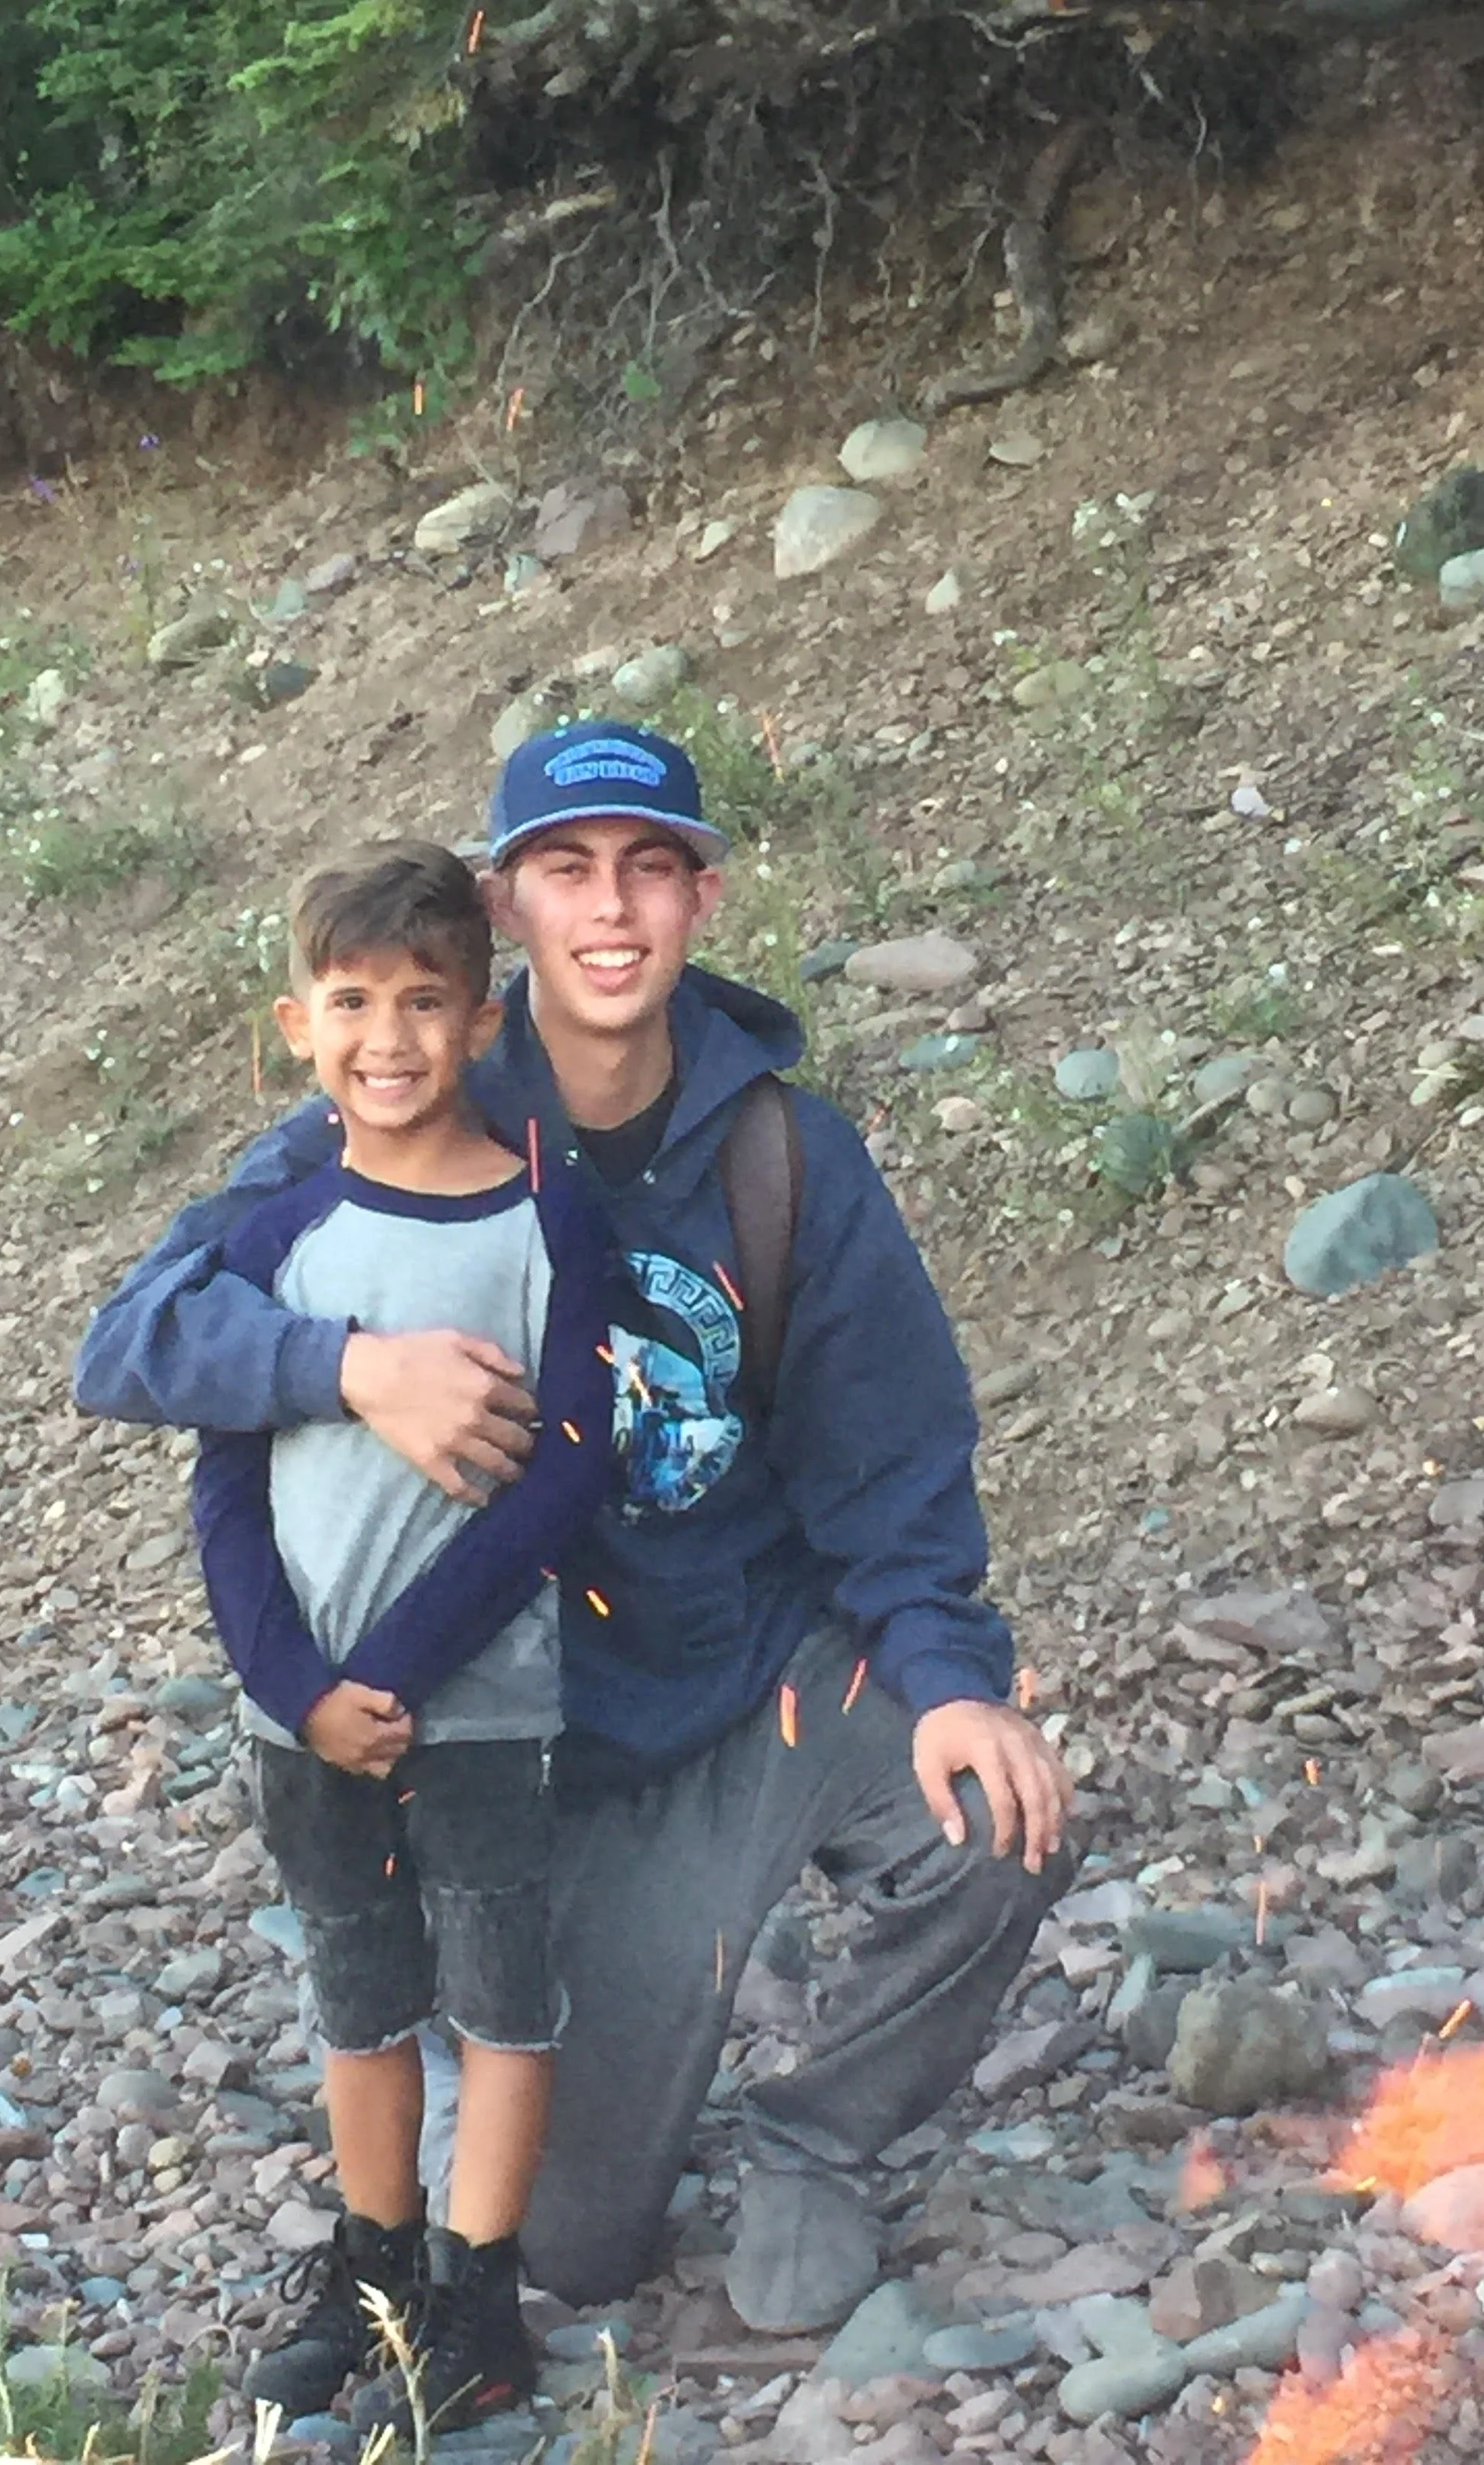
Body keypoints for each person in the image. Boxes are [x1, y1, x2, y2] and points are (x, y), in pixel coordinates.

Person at [75, 718, 1076, 2338]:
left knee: (1000, 1818)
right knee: (564, 2250)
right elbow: (131, 1342)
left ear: (701, 901)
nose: (610, 911)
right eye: (566, 872)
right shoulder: (402, 1113)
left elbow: (892, 1458)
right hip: (544, 1759)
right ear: (507, 910)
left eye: (649, 871)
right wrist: (351, 1368)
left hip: (765, 1681)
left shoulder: (784, 1155)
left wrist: (955, 1676)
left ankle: (817, 2136)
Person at [189, 843, 617, 2434]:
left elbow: (566, 1474)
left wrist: (406, 1673)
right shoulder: (271, 1241)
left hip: (486, 1710)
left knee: (503, 2000)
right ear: (297, 1026)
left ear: (484, 1020)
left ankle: (478, 2298)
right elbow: (225, 1492)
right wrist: (298, 1692)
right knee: (360, 1999)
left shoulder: (538, 1219)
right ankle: (374, 2273)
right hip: (304, 1722)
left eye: (424, 1001)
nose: (389, 1037)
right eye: (354, 1003)